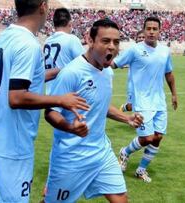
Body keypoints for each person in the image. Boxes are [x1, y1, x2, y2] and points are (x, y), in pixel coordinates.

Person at [0, 0, 89, 202]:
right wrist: (61, 99)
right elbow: (16, 97)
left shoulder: (6, 36)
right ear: (42, 6)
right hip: (13, 141)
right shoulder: (28, 44)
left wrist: (61, 71)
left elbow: (28, 78)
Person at [43, 19, 143, 203]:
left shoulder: (107, 73)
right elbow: (50, 112)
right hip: (71, 157)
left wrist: (126, 118)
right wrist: (71, 128)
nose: (112, 47)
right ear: (90, 40)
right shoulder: (71, 73)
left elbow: (99, 105)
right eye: (105, 41)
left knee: (121, 199)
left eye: (116, 42)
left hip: (101, 153)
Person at [112, 16, 178, 183]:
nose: (151, 32)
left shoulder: (164, 51)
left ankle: (141, 170)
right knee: (147, 138)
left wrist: (174, 94)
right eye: (148, 28)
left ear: (159, 31)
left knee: (157, 137)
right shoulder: (135, 50)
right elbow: (114, 64)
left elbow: (168, 74)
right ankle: (125, 152)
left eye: (154, 29)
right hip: (141, 101)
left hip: (159, 101)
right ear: (144, 30)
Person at [44, 7, 85, 94]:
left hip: (50, 95)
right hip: (66, 96)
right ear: (70, 23)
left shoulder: (47, 41)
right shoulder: (72, 39)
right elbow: (85, 64)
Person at [119, 30, 145, 112]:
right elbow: (119, 62)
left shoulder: (151, 51)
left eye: (143, 37)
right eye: (139, 37)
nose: (141, 39)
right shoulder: (132, 50)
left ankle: (142, 123)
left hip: (146, 84)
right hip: (133, 84)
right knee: (131, 106)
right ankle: (124, 107)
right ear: (136, 39)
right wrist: (124, 64)